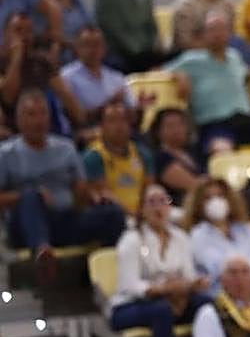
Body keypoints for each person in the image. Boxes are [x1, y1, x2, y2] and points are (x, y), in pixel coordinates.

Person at [0, 90, 125, 275]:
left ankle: (110, 269)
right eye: (31, 114)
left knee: (112, 212)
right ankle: (42, 251)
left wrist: (94, 196)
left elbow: (81, 190)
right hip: (26, 225)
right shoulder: (6, 153)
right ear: (19, 121)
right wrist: (23, 197)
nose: (38, 120)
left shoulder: (66, 148)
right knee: (30, 195)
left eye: (43, 113)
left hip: (65, 218)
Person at [110, 184, 209, 337]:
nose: (158, 208)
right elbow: (130, 285)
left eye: (163, 201)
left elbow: (188, 274)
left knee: (207, 305)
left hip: (174, 299)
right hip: (129, 306)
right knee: (161, 311)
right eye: (151, 202)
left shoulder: (180, 237)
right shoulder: (131, 240)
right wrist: (164, 289)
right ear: (142, 208)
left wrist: (193, 284)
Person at [166, 11, 250, 156]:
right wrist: (178, 75)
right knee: (222, 151)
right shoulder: (191, 60)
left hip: (247, 123)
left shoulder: (235, 56)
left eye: (221, 29)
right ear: (204, 34)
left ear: (229, 33)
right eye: (212, 29)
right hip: (215, 126)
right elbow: (158, 71)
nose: (217, 34)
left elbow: (243, 73)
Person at [184, 177, 250, 288]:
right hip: (224, 292)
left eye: (220, 196)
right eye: (208, 198)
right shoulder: (198, 235)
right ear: (199, 203)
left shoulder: (243, 228)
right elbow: (218, 267)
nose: (216, 202)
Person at [81, 100, 153, 217]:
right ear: (101, 126)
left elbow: (149, 190)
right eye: (112, 120)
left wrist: (145, 213)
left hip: (144, 214)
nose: (119, 125)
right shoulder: (93, 156)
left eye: (123, 120)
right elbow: (104, 197)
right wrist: (134, 216)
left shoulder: (143, 153)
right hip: (114, 218)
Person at [60, 26, 133, 123]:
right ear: (77, 48)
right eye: (87, 44)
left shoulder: (117, 77)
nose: (93, 49)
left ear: (104, 48)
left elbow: (131, 111)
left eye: (97, 44)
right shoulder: (66, 77)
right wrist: (110, 103)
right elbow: (75, 116)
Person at [148, 108, 201, 206]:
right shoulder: (161, 158)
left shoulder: (193, 152)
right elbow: (192, 185)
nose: (176, 130)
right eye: (170, 126)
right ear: (158, 132)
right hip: (176, 207)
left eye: (180, 125)